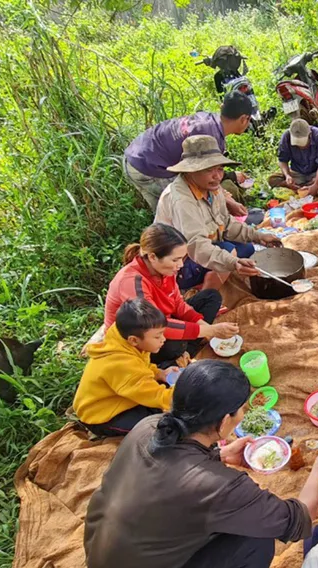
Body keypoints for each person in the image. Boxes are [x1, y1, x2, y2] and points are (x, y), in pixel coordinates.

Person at [85, 360, 318, 568]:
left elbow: (176, 471)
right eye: (241, 409)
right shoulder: (221, 488)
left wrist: (218, 455)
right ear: (224, 422)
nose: (244, 414)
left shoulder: (148, 427)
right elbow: (300, 519)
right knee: (256, 545)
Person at [155, 135, 281, 291]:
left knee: (248, 248)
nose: (218, 176)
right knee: (229, 251)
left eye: (220, 169)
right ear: (190, 171)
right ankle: (206, 293)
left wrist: (259, 236)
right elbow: (196, 246)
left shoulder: (212, 187)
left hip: (205, 248)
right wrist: (232, 262)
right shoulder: (181, 200)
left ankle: (217, 274)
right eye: (209, 170)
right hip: (179, 265)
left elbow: (227, 223)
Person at [105, 223, 238, 367]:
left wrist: (205, 327)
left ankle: (185, 350)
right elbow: (153, 326)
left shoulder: (165, 270)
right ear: (153, 257)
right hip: (142, 335)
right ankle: (180, 354)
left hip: (162, 319)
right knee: (175, 345)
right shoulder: (132, 282)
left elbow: (178, 304)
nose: (180, 265)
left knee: (211, 297)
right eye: (175, 260)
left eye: (182, 258)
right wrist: (210, 330)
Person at [123, 91, 254, 215]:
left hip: (135, 155)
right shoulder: (208, 137)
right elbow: (201, 178)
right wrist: (228, 200)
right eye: (249, 120)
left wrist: (228, 179)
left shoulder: (209, 120)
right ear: (244, 119)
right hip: (148, 167)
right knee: (185, 209)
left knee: (166, 213)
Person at [74, 299, 181, 438]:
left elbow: (143, 366)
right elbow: (156, 395)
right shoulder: (121, 364)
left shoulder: (125, 339)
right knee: (162, 426)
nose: (163, 339)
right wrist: (184, 392)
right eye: (157, 336)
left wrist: (160, 373)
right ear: (134, 340)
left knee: (164, 395)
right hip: (103, 416)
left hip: (122, 395)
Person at [268, 118, 318, 196]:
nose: (300, 146)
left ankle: (311, 186)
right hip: (296, 173)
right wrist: (287, 176)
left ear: (309, 134)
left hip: (315, 173)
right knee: (272, 179)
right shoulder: (286, 136)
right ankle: (297, 186)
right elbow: (282, 160)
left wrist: (316, 183)